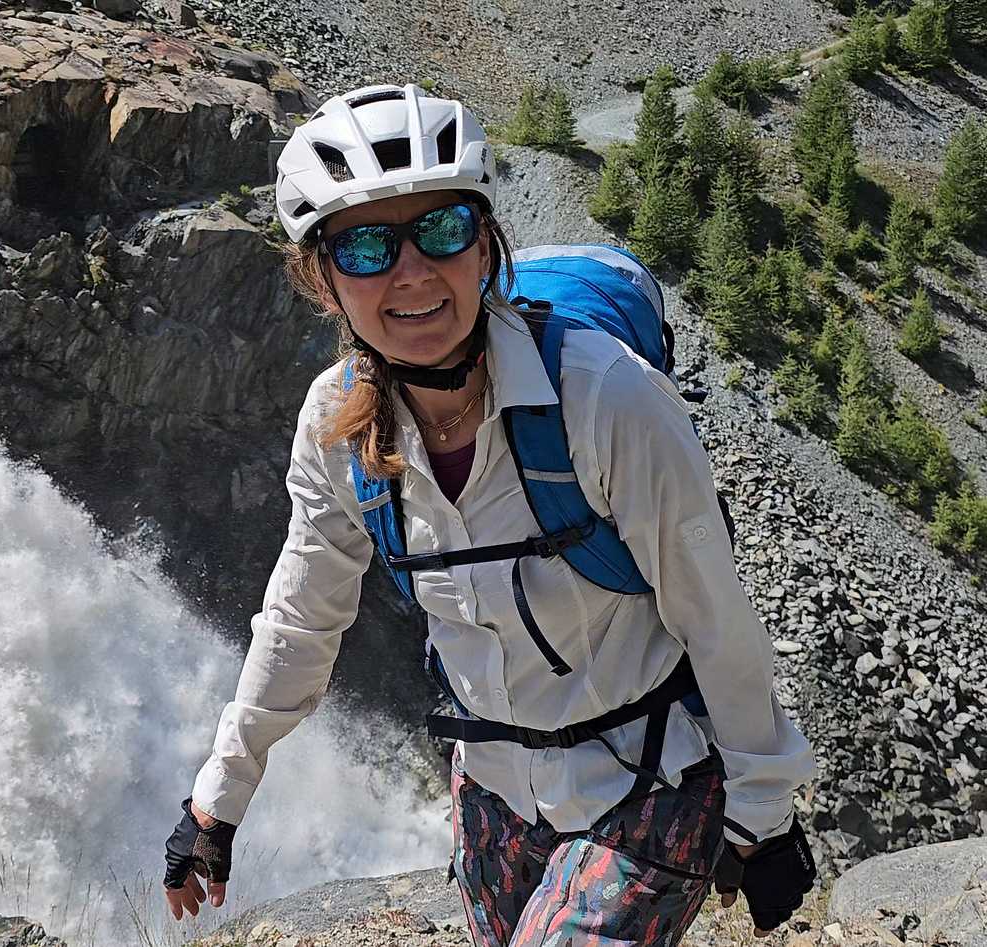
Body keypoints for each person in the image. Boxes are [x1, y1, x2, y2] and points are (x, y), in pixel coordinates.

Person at [162, 83, 818, 945]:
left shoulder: (605, 398)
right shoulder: (334, 426)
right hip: (495, 793)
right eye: (365, 246)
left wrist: (763, 811)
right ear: (323, 279)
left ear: (484, 245)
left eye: (440, 229)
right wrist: (217, 798)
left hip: (653, 781)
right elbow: (301, 618)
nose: (411, 272)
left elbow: (715, 615)